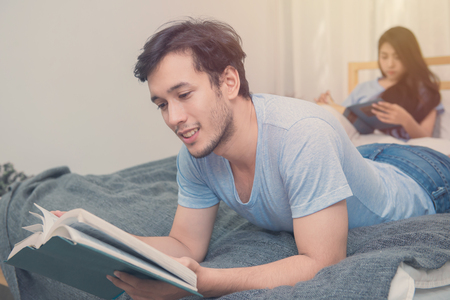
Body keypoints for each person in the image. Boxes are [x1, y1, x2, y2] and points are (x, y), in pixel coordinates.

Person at [51, 19, 450, 299]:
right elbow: (184, 242)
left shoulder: (302, 134)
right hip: (363, 156)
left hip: (419, 173)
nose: (174, 119)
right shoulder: (195, 155)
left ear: (228, 81)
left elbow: (322, 261)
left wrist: (204, 282)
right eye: (162, 104)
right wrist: (99, 239)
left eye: (184, 95)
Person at [315, 26, 444, 141]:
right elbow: (344, 120)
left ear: (410, 57)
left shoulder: (425, 92)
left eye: (398, 57)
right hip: (360, 146)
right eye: (384, 56)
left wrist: (406, 120)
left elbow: (428, 139)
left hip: (398, 152)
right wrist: (331, 106)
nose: (390, 64)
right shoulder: (363, 88)